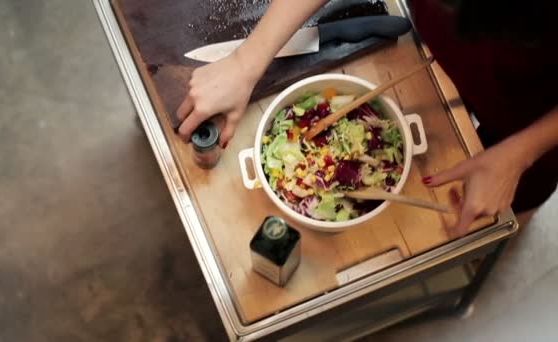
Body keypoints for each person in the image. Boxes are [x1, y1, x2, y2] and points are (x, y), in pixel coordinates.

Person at [176, 0, 558, 236]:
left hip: (532, 111)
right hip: (436, 51)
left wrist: (519, 154)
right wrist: (246, 60)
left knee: (495, 210)